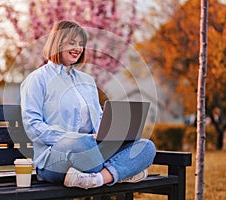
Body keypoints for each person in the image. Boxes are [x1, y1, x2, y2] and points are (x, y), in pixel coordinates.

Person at [20, 20, 156, 189]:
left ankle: (96, 179)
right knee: (83, 145)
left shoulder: (87, 81)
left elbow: (98, 118)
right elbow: (32, 125)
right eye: (72, 42)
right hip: (53, 159)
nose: (78, 48)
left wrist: (110, 135)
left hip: (93, 152)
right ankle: (118, 174)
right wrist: (77, 139)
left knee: (146, 147)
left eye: (81, 44)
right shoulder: (37, 79)